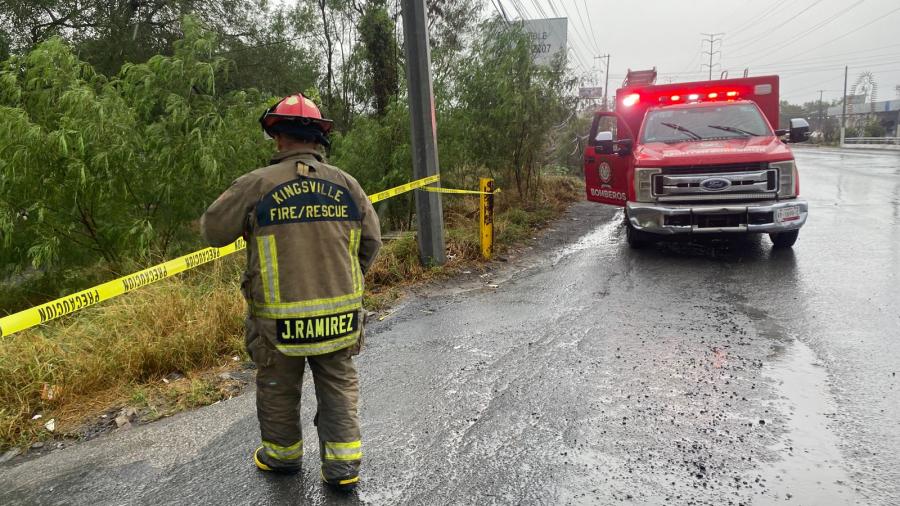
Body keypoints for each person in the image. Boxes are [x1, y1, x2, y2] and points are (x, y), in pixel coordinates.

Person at [200, 93, 381, 491]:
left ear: (278, 137)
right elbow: (372, 242)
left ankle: (282, 458)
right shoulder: (347, 185)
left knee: (278, 387)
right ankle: (342, 468)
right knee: (338, 386)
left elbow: (212, 231)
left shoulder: (257, 184)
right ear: (318, 139)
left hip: (278, 322)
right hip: (339, 318)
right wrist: (344, 281)